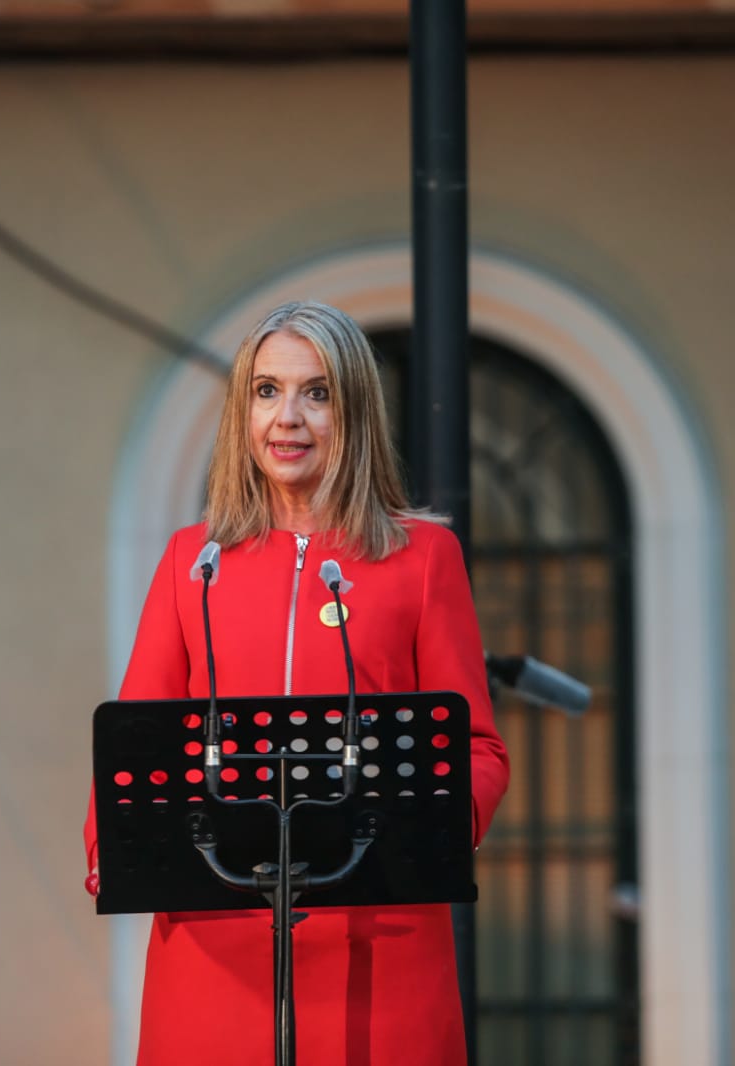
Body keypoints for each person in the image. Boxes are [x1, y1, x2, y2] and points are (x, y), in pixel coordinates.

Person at [84, 300, 510, 1066]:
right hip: (214, 951)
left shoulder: (422, 558)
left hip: (380, 946)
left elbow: (479, 748)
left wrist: (439, 830)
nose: (289, 418)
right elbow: (134, 749)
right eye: (266, 391)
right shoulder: (193, 562)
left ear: (354, 412)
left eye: (317, 393)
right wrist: (111, 845)